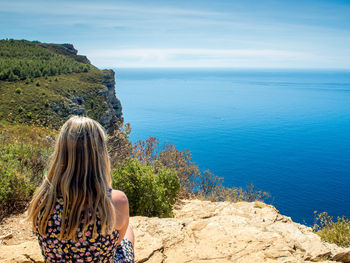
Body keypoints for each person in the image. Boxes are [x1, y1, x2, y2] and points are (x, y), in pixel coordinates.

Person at [27, 116, 135, 262]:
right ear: (100, 155)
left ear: (61, 153)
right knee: (128, 231)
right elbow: (116, 243)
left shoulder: (42, 200)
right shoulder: (116, 201)